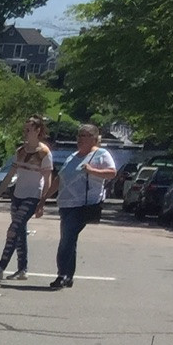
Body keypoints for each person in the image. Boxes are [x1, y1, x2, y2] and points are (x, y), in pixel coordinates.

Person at [49, 123, 116, 289]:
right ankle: (68, 276)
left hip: (83, 205)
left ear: (94, 138)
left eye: (85, 135)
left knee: (67, 239)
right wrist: (43, 199)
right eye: (79, 135)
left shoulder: (101, 154)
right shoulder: (73, 156)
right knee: (69, 240)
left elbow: (111, 173)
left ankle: (62, 274)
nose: (80, 139)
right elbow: (60, 178)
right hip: (66, 204)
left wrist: (92, 170)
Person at [0, 116, 54, 281]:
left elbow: (47, 180)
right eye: (25, 130)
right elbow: (10, 176)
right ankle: (22, 269)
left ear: (38, 131)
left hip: (32, 196)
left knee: (13, 230)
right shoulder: (21, 151)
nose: (26, 133)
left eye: (29, 130)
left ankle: (0, 268)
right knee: (20, 232)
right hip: (17, 195)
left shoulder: (44, 153)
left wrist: (42, 202)